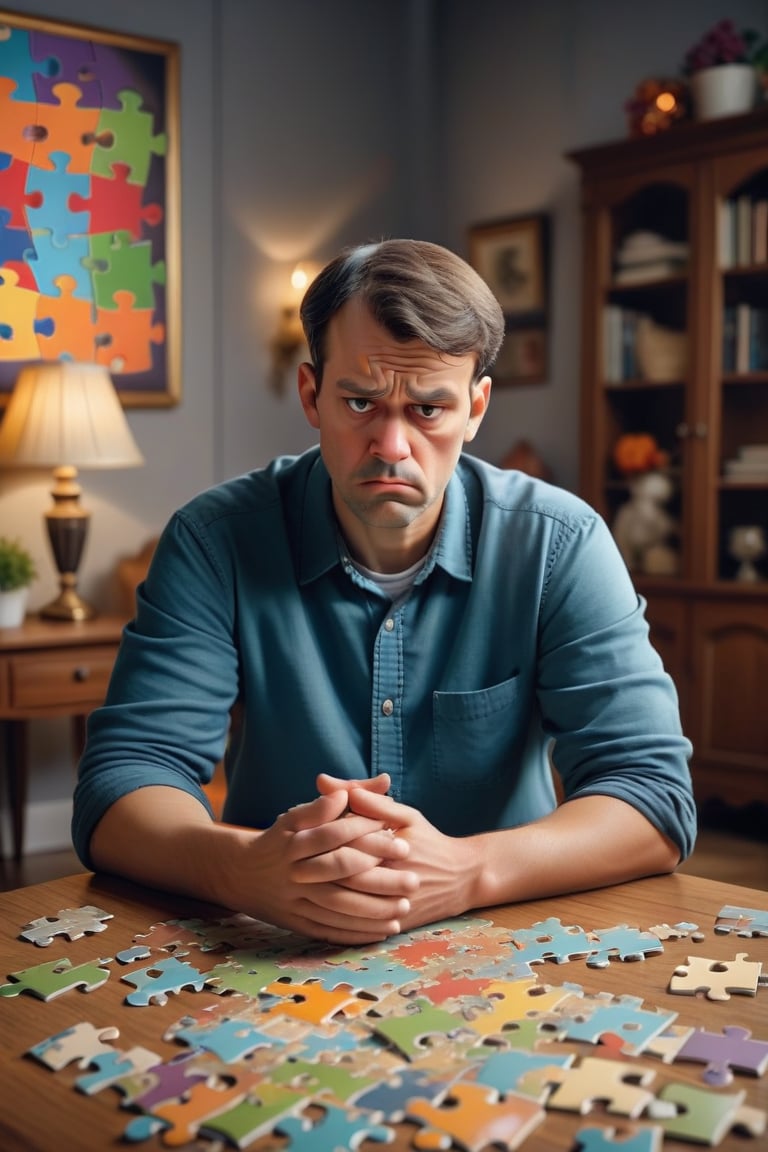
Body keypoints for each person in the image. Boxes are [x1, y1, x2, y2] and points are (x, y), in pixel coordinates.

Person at [73, 239, 696, 945]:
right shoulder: (214, 539)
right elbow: (124, 781)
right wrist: (241, 870)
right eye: (361, 402)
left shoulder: (561, 543)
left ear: (476, 407)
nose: (392, 445)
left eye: (429, 409)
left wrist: (469, 870)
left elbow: (652, 796)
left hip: (512, 936)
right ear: (311, 394)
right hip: (272, 944)